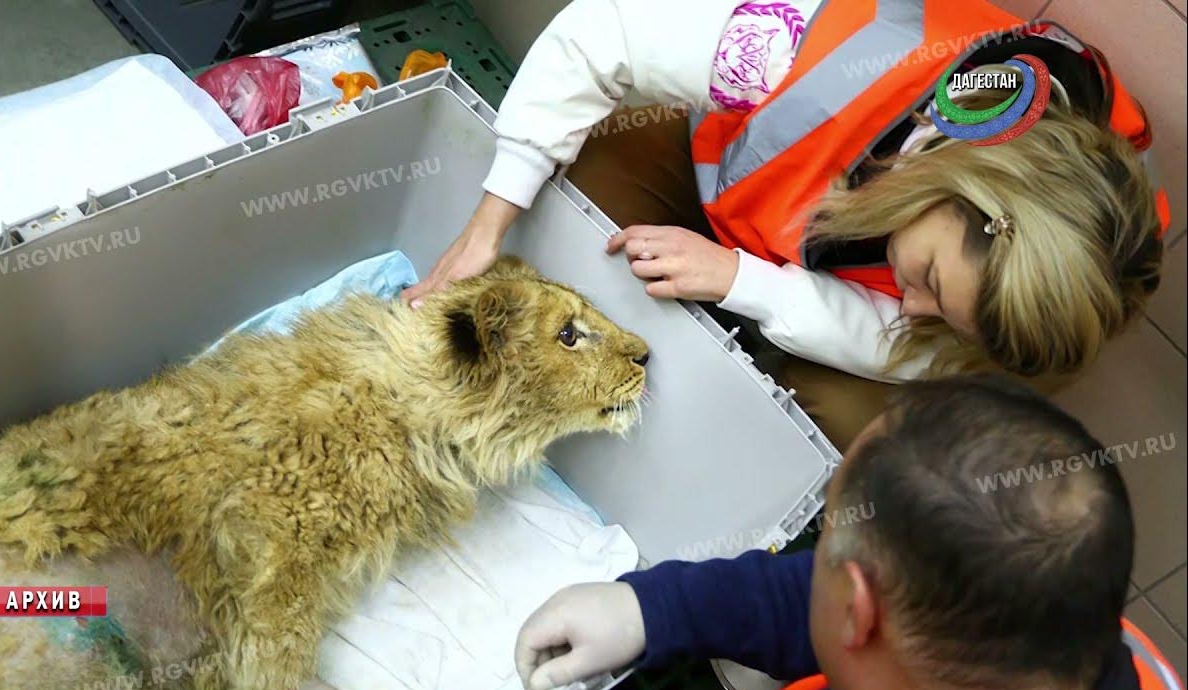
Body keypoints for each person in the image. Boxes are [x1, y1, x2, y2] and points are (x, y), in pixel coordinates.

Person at [402, 0, 1169, 450]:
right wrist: (489, 223)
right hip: (722, 175)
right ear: (953, 184)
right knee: (578, 226)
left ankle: (741, 566)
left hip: (785, 258)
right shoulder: (802, 47)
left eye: (949, 317)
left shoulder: (1077, 264)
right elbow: (603, 32)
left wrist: (745, 283)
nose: (918, 308)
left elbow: (908, 351)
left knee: (857, 430)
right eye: (932, 280)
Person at [514, 376, 1186, 690]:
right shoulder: (1052, 629)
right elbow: (810, 592)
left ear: (859, 613)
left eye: (833, 529)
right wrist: (655, 609)